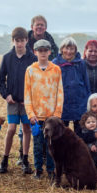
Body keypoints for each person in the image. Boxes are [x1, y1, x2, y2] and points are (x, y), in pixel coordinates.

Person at [0, 27, 37, 175]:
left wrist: (29, 98)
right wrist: (6, 95)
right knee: (11, 129)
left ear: (27, 40)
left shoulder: (33, 59)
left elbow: (36, 81)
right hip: (12, 102)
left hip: (27, 103)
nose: (20, 44)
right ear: (13, 41)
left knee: (27, 129)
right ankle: (4, 159)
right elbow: (0, 80)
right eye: (17, 41)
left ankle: (25, 159)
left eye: (22, 40)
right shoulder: (7, 58)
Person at [24, 39, 64, 180]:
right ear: (35, 52)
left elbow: (60, 93)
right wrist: (30, 114)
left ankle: (51, 170)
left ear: (49, 51)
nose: (43, 53)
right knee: (37, 145)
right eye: (39, 50)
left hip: (51, 117)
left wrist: (57, 114)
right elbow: (27, 94)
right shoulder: (30, 70)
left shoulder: (56, 70)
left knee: (51, 145)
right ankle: (38, 169)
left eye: (45, 50)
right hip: (36, 117)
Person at [52, 37, 91, 134]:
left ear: (75, 50)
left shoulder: (81, 63)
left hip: (79, 102)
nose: (69, 51)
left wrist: (88, 99)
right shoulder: (55, 63)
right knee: (62, 133)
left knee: (80, 133)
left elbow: (86, 82)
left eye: (71, 49)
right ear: (62, 49)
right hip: (62, 104)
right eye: (66, 48)